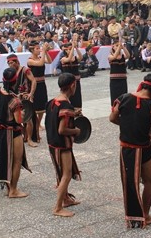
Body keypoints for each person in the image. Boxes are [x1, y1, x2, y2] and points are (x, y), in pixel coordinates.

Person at [109, 73, 151, 228]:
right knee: (149, 182)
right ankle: (145, 215)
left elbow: (112, 118)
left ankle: (134, 216)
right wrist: (148, 137)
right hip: (145, 149)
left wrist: (127, 126)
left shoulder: (123, 98)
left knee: (130, 183)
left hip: (126, 149)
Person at [45, 73, 82, 217]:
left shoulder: (53, 101)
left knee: (61, 173)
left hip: (52, 143)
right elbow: (62, 129)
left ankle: (66, 199)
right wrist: (76, 130)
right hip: (62, 145)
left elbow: (53, 120)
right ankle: (58, 207)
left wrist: (74, 113)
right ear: (72, 85)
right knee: (66, 174)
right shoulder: (66, 105)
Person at [0, 67, 31, 197]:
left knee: (5, 158)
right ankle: (13, 189)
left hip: (2, 131)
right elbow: (18, 119)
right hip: (13, 132)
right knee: (16, 160)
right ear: (15, 82)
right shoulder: (15, 101)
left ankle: (9, 186)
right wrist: (23, 111)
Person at [6, 54, 37, 145]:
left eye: (11, 63)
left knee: (28, 118)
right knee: (18, 118)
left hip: (25, 97)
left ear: (16, 62)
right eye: (8, 63)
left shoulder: (25, 70)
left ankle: (30, 139)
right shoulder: (10, 72)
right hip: (15, 97)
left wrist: (31, 94)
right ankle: (24, 135)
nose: (10, 65)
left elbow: (33, 81)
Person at [26, 42, 52, 146]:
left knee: (42, 107)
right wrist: (44, 51)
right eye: (37, 48)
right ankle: (34, 129)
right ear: (32, 50)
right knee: (34, 107)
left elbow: (49, 61)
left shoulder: (40, 57)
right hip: (35, 85)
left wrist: (46, 52)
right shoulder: (30, 60)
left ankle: (38, 124)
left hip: (42, 84)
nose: (39, 50)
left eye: (39, 48)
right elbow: (40, 64)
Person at [59, 42, 83, 112]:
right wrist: (72, 47)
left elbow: (81, 57)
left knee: (77, 98)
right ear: (66, 50)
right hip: (67, 83)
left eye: (71, 49)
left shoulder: (75, 58)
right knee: (69, 98)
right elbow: (69, 59)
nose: (71, 51)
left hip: (76, 82)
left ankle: (78, 111)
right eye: (68, 49)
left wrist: (76, 47)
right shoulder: (63, 59)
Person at [108, 40, 130, 106]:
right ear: (113, 47)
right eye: (116, 46)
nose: (118, 47)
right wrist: (118, 48)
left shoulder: (123, 56)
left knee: (124, 97)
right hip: (114, 81)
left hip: (122, 80)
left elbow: (128, 55)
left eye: (118, 45)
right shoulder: (110, 56)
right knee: (115, 97)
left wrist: (123, 47)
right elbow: (114, 57)